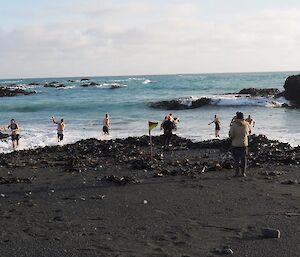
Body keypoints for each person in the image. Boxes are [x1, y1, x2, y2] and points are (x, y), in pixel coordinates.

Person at [229, 112, 250, 177]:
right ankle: (243, 173)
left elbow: (231, 135)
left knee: (236, 160)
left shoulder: (234, 125)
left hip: (235, 144)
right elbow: (248, 134)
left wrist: (232, 121)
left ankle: (237, 173)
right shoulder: (246, 124)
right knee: (243, 159)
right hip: (244, 144)